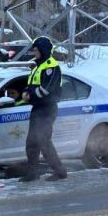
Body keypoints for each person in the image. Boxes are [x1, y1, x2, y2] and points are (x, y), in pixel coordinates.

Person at [19, 36, 67, 182]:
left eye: (36, 49)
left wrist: (30, 95)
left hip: (47, 109)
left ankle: (60, 172)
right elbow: (32, 84)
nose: (34, 52)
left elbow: (46, 90)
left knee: (43, 141)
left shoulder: (51, 67)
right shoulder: (38, 66)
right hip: (38, 109)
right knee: (32, 142)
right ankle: (32, 173)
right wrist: (26, 91)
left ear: (43, 50)